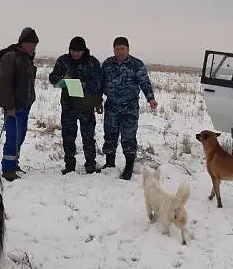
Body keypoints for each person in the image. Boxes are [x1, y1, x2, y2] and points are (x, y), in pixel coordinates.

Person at [101, 36, 158, 180]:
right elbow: (100, 83)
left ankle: (129, 167)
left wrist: (150, 98)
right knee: (110, 136)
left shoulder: (136, 64)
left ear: (128, 49)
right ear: (113, 49)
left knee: (128, 138)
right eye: (117, 48)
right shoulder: (108, 64)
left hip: (129, 108)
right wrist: (95, 99)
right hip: (111, 107)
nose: (119, 51)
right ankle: (109, 164)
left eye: (122, 48)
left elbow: (144, 83)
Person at [48, 36, 104, 175]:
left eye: (78, 51)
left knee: (88, 137)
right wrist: (62, 79)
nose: (75, 53)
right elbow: (52, 78)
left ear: (84, 51)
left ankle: (90, 165)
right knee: (68, 137)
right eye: (72, 50)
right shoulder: (63, 61)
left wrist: (82, 84)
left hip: (86, 106)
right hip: (68, 106)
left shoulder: (92, 62)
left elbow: (99, 83)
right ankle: (69, 166)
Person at [0, 27, 39, 182]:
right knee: (13, 137)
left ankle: (14, 164)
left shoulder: (27, 58)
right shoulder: (10, 57)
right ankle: (7, 169)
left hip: (24, 105)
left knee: (20, 137)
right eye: (31, 44)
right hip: (13, 106)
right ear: (23, 43)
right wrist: (9, 106)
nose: (34, 47)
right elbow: (5, 84)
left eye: (35, 44)